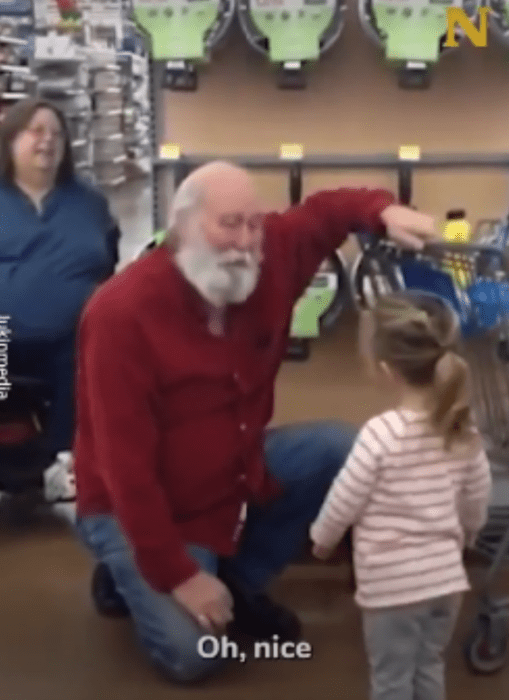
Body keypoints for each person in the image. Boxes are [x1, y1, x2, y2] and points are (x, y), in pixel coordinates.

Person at [73, 160, 439, 684]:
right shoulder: (120, 315)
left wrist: (384, 210)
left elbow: (324, 212)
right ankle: (127, 574)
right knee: (196, 655)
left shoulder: (269, 261)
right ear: (182, 225)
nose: (246, 241)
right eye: (228, 224)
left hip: (228, 474)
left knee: (341, 449)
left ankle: (237, 582)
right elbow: (124, 471)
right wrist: (177, 575)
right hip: (137, 505)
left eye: (254, 223)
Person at [310, 291, 492, 700]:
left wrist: (322, 539)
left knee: (391, 680)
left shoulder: (380, 434)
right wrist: (469, 534)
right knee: (429, 667)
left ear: (387, 369)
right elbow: (476, 496)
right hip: (446, 583)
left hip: (393, 589)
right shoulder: (462, 430)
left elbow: (345, 497)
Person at [0, 98, 120, 514]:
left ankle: (63, 460)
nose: (48, 141)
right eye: (36, 131)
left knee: (88, 360)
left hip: (73, 333)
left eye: (56, 133)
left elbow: (110, 257)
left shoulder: (88, 201)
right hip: (2, 332)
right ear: (11, 139)